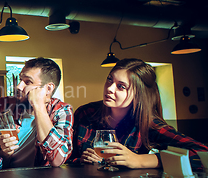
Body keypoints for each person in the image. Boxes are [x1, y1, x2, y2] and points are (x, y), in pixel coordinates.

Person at [71, 58, 208, 171]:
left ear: (138, 94)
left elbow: (203, 154)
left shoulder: (148, 124)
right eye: (109, 80)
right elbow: (62, 158)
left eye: (121, 86)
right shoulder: (85, 113)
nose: (110, 88)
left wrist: (141, 160)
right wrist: (80, 159)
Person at [0, 58, 73, 168]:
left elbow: (58, 160)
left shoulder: (62, 110)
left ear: (48, 88)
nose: (18, 86)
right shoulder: (7, 107)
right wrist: (5, 152)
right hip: (8, 177)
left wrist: (39, 106)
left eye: (27, 82)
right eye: (20, 80)